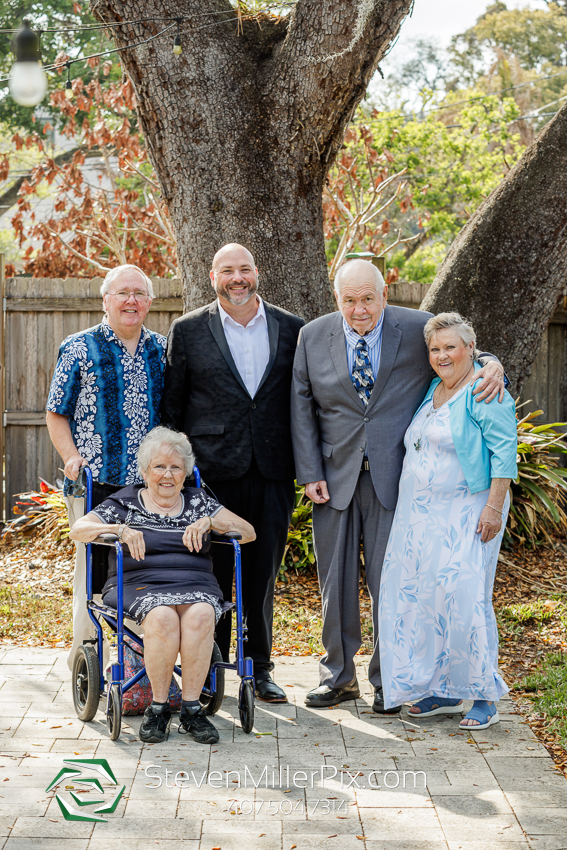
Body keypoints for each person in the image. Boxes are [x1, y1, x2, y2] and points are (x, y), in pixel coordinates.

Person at [291, 259, 505, 713]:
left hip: (397, 480)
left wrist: (493, 364)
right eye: (349, 300)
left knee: (393, 585)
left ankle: (391, 680)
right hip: (332, 479)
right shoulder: (312, 336)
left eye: (368, 298)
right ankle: (339, 677)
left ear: (384, 295)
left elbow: (462, 349)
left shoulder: (415, 327)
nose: (360, 308)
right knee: (335, 583)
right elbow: (301, 405)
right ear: (337, 300)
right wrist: (310, 472)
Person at [161, 243, 304, 703]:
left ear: (257, 272)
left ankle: (259, 666)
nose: (237, 278)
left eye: (244, 269)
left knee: (262, 572)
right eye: (227, 271)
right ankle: (211, 667)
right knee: (212, 573)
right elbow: (173, 406)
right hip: (210, 476)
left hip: (273, 468)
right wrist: (176, 473)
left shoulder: (292, 328)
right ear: (212, 277)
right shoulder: (187, 330)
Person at [69, 426, 255, 744]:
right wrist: (120, 529)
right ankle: (158, 710)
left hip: (194, 582)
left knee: (200, 616)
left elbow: (247, 531)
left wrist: (212, 522)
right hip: (138, 584)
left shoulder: (199, 501)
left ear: (186, 472)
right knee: (162, 617)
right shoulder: (125, 502)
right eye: (159, 466)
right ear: (145, 471)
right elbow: (79, 529)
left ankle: (192, 709)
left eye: (175, 467)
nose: (167, 475)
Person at [379, 313, 517, 729]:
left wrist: (493, 507)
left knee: (465, 598)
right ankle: (443, 689)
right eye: (435, 349)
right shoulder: (432, 388)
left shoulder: (486, 390)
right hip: (420, 517)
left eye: (450, 347)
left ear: (471, 349)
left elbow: (504, 455)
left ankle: (482, 696)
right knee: (427, 599)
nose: (442, 355)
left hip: (469, 512)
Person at [46, 264, 166, 670]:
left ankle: (138, 661)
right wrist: (70, 457)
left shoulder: (161, 350)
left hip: (149, 489)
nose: (130, 300)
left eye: (139, 294)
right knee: (92, 572)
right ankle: (88, 656)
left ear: (149, 302)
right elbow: (56, 413)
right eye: (122, 293)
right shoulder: (78, 347)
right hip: (94, 482)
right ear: (106, 300)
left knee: (143, 570)